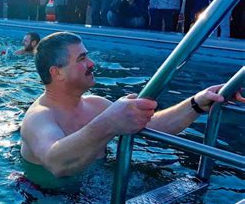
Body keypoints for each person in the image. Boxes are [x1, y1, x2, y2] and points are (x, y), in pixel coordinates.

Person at [20, 32, 243, 183]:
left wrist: (196, 103)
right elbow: (57, 163)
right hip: (47, 200)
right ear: (56, 72)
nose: (91, 63)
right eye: (81, 58)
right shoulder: (39, 117)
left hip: (94, 188)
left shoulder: (96, 104)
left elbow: (155, 125)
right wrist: (109, 123)